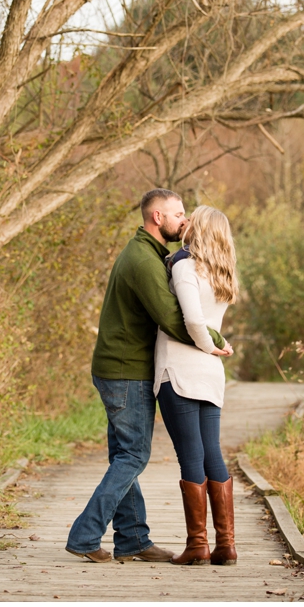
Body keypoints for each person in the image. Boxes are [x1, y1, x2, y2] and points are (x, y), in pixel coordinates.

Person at [65, 188, 232, 563]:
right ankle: (85, 534)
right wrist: (218, 340)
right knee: (134, 456)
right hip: (126, 370)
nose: (184, 219)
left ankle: (133, 539)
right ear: (158, 217)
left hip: (123, 367)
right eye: (178, 213)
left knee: (124, 454)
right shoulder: (144, 260)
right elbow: (174, 319)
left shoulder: (154, 256)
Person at [157, 204, 239, 565]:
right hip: (210, 373)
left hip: (181, 370)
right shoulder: (223, 273)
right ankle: (226, 545)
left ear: (200, 229)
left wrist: (210, 344)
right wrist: (215, 348)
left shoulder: (184, 265)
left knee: (191, 456)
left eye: (192, 219)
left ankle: (197, 545)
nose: (185, 222)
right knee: (212, 454)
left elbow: (192, 321)